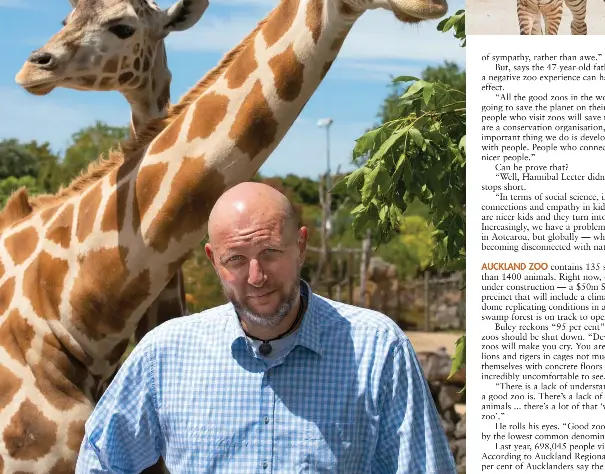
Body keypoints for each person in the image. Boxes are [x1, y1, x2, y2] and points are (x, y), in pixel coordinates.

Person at [76, 182, 456, 473]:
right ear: (213, 260)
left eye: (270, 253)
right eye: (236, 259)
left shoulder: (377, 349)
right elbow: (100, 459)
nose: (256, 277)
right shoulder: (165, 355)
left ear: (301, 246)